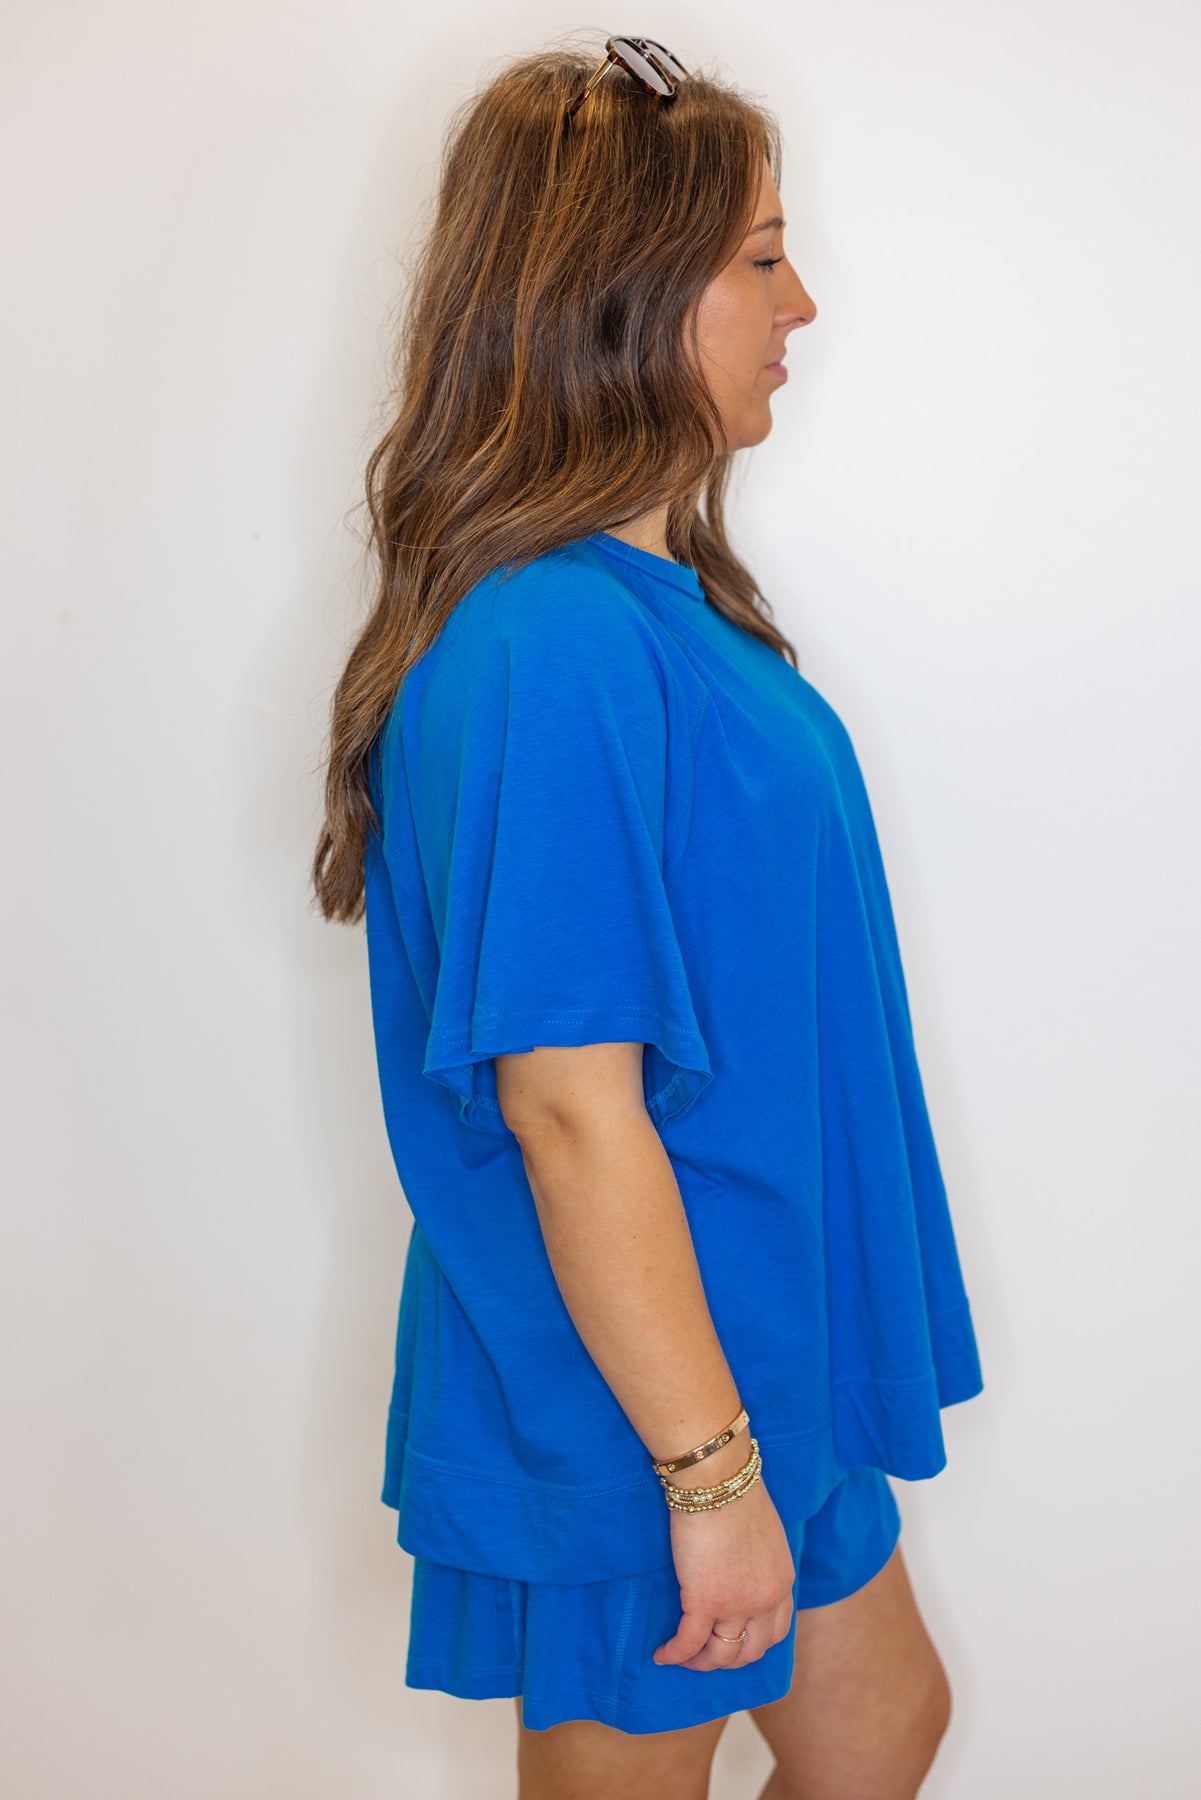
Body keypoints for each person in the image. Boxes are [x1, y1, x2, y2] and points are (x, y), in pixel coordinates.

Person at [312, 34, 985, 1800]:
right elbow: (563, 1101)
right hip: (642, 1399)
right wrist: (704, 1475)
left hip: (756, 1348)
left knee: (882, 1726)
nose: (800, 302)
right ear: (619, 288)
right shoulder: (546, 645)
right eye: (760, 257)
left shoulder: (648, 607)